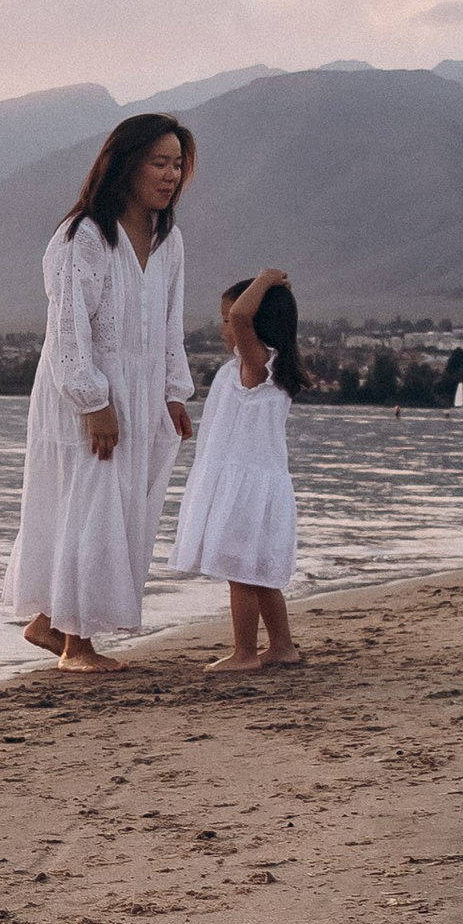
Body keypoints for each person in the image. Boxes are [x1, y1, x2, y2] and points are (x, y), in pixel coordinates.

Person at [2, 114, 197, 672]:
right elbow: (68, 328)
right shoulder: (83, 235)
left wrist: (173, 393)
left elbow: (169, 322)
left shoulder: (169, 239)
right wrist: (94, 401)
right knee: (87, 502)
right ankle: (76, 646)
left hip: (140, 394)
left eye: (178, 164)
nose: (170, 175)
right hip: (83, 390)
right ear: (126, 164)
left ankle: (50, 625)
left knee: (122, 505)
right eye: (159, 162)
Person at [173, 267, 305, 670]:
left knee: (241, 573)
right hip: (261, 482)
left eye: (226, 318)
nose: (224, 326)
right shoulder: (265, 367)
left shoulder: (257, 363)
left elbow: (243, 317)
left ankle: (245, 653)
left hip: (246, 485)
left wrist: (263, 280)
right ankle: (282, 646)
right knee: (260, 572)